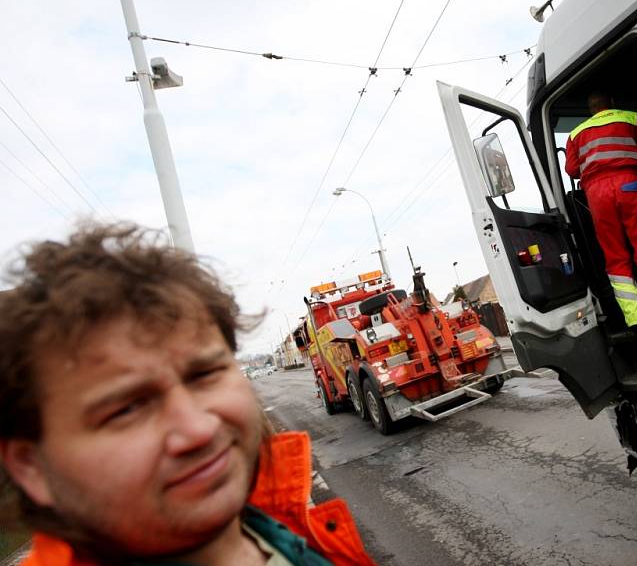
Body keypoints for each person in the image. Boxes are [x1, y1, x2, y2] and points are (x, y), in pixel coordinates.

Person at [0, 223, 376, 566]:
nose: (199, 430)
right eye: (127, 408)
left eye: (205, 374)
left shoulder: (285, 530)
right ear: (31, 465)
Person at [565, 90, 637, 340]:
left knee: (615, 258)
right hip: (630, 186)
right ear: (611, 102)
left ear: (591, 110)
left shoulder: (576, 133)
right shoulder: (632, 118)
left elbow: (571, 170)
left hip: (597, 196)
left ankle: (636, 323)